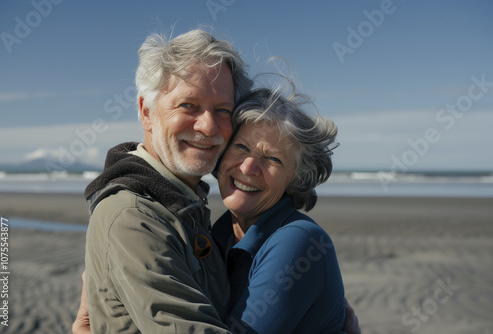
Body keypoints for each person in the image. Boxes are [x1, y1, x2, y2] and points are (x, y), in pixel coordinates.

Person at [73, 29, 360, 333]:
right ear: (146, 111)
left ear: (296, 176)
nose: (208, 126)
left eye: (222, 110)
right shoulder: (134, 216)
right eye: (188, 105)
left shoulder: (200, 221)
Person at [210, 86, 346, 333]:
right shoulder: (214, 235)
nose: (248, 167)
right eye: (241, 147)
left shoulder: (298, 241)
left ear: (297, 178)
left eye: (273, 159)